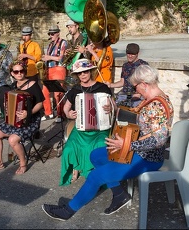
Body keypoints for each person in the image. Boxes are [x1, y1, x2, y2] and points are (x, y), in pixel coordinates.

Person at [42, 64, 174, 220]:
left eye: (135, 87)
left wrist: (127, 145)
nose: (134, 90)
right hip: (139, 152)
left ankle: (67, 211)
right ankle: (119, 194)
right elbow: (138, 118)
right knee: (96, 155)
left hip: (148, 158)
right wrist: (114, 109)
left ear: (144, 84)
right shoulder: (152, 100)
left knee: (96, 176)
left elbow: (159, 140)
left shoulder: (156, 106)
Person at [59, 58, 116, 186]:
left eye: (85, 72)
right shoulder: (75, 90)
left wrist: (110, 107)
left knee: (101, 144)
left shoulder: (102, 87)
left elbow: (114, 106)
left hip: (100, 128)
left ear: (90, 71)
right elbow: (66, 107)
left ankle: (97, 173)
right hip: (81, 129)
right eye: (79, 73)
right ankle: (76, 168)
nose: (83, 75)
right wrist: (69, 114)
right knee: (69, 147)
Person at [0, 60, 44, 175]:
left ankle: (23, 163)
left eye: (21, 71)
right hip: (15, 120)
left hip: (31, 121)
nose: (19, 74)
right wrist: (7, 105)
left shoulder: (33, 85)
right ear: (12, 73)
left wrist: (28, 113)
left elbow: (40, 104)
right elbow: (10, 102)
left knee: (13, 139)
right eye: (16, 72)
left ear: (25, 72)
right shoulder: (13, 86)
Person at [105, 43, 148, 108]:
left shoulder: (143, 65)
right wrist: (110, 85)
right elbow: (122, 82)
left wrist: (139, 94)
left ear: (138, 53)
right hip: (124, 96)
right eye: (128, 53)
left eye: (132, 54)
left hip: (137, 97)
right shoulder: (125, 65)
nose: (130, 56)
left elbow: (147, 84)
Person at [41, 25, 68, 123]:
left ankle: (61, 114)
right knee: (44, 92)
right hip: (49, 69)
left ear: (58, 33)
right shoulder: (50, 44)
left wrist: (49, 57)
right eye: (49, 33)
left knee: (58, 93)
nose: (50, 35)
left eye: (52, 33)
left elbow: (61, 58)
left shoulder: (63, 42)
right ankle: (48, 113)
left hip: (59, 68)